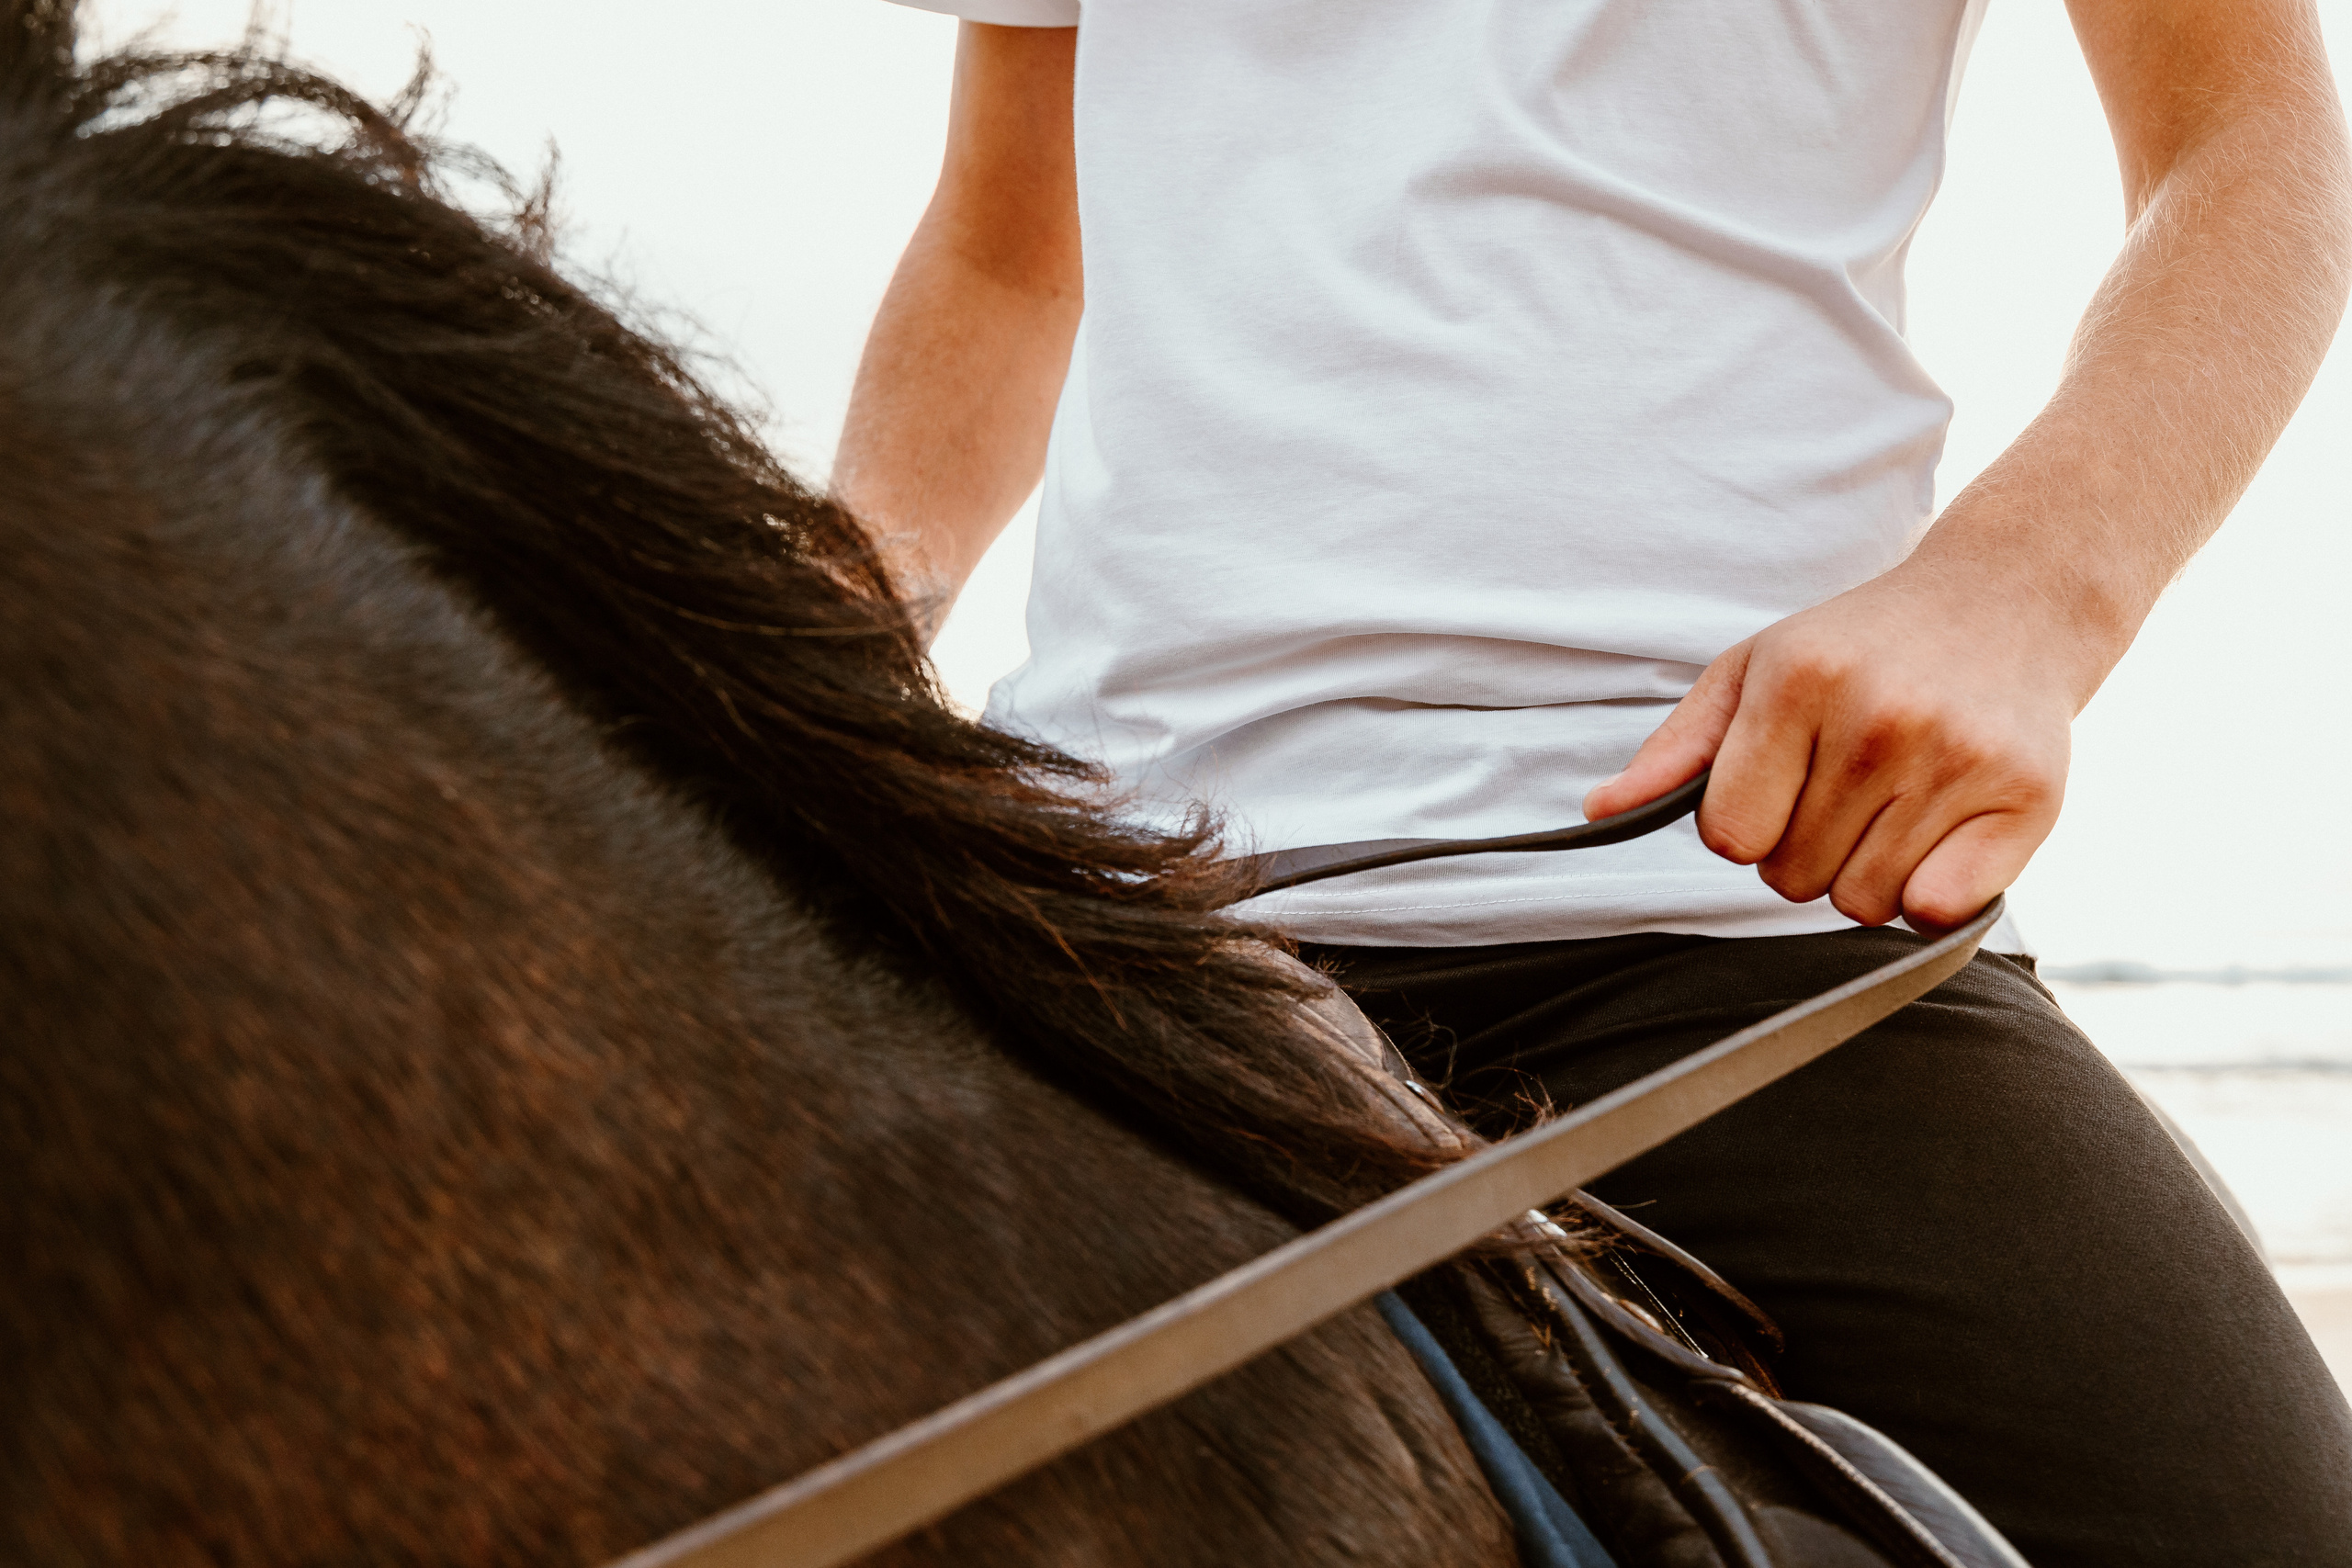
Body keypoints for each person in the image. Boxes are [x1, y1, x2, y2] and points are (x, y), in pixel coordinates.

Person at [836, 2, 2352, 1560]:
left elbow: (2246, 140)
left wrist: (2024, 592)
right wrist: (834, 620)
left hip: (1740, 888)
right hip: (1126, 913)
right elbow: (1010, 248)